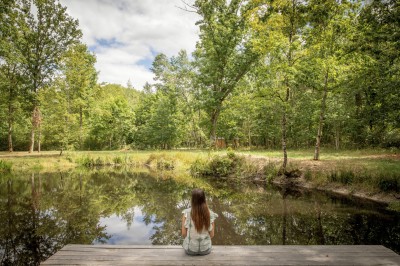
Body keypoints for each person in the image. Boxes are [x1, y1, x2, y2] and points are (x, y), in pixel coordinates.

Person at [181, 188, 218, 255]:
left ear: (192, 199)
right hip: (206, 250)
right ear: (204, 199)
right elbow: (212, 235)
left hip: (190, 250)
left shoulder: (186, 213)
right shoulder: (210, 214)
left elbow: (184, 234)